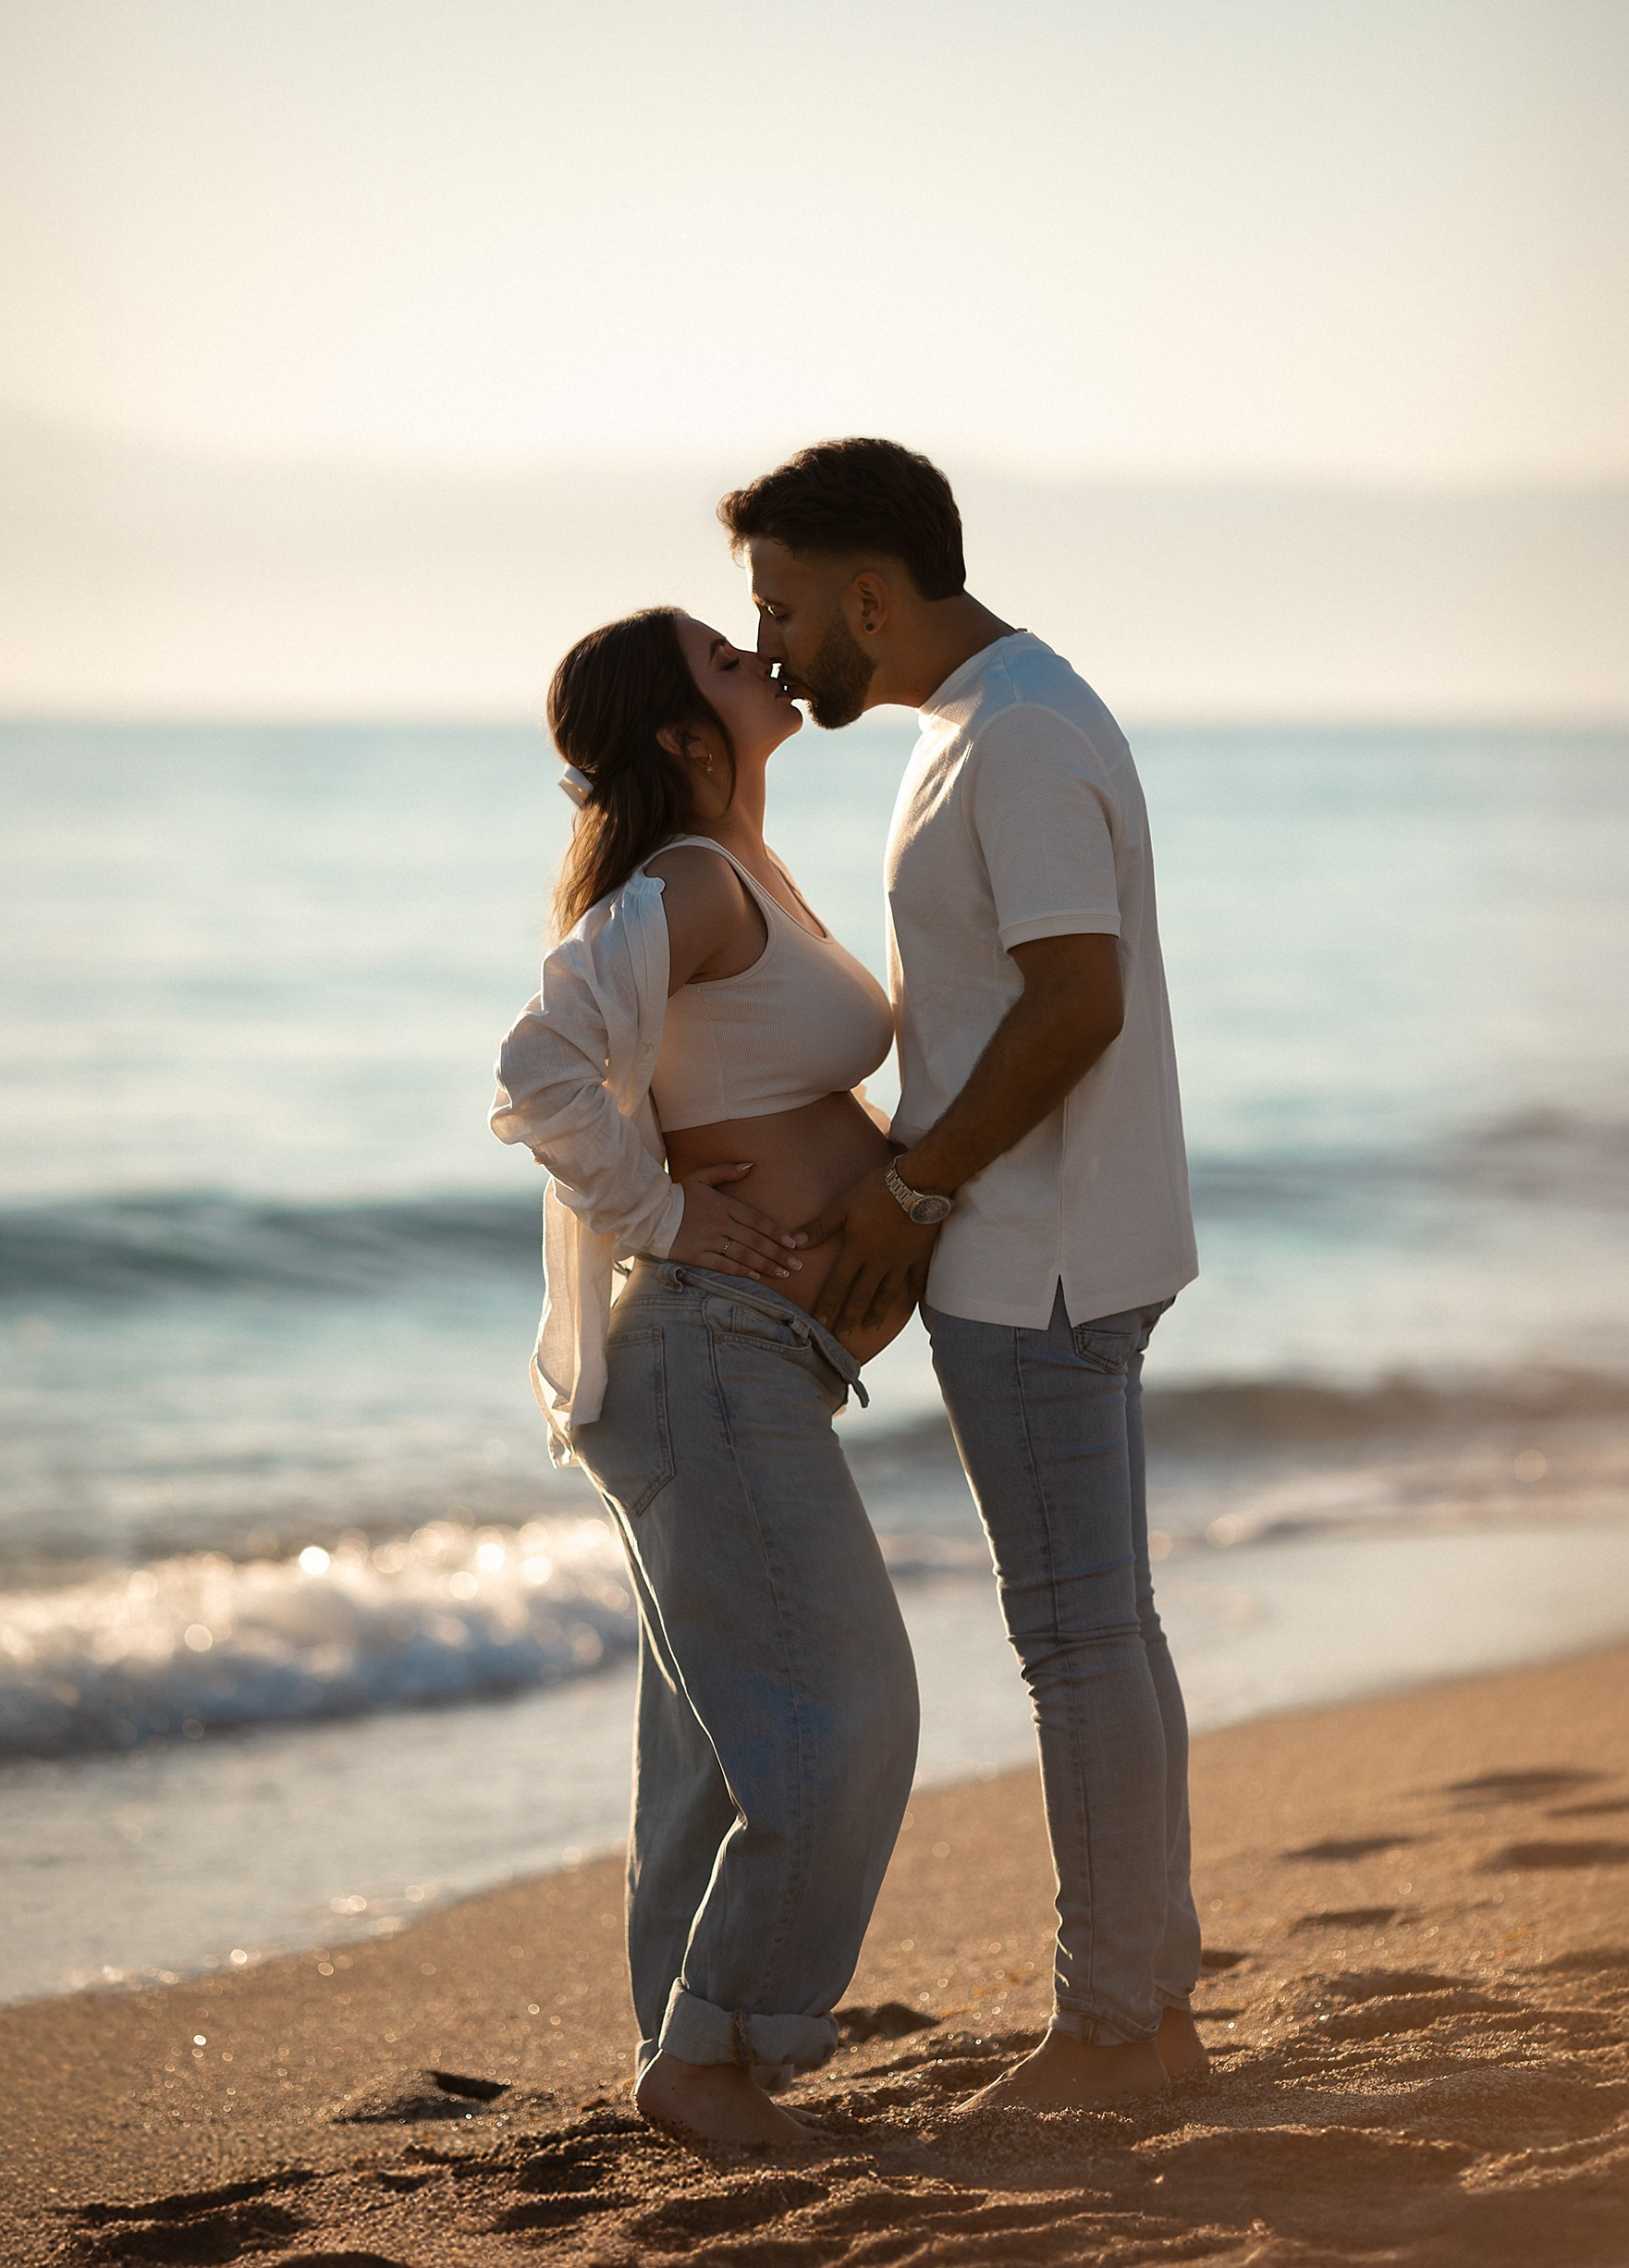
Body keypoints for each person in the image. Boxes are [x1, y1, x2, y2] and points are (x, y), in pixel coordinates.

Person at [717, 438, 1206, 2108]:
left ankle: (1107, 2033)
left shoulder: (1022, 736)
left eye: (783, 608)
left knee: (1077, 1642)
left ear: (873, 593)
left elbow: (1081, 1004)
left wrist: (916, 1192)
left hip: (1039, 1262)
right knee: (1108, 1633)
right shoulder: (988, 724)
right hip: (1046, 1246)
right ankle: (1152, 2005)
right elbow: (1017, 1010)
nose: (772, 647)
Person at [491, 605, 919, 2146]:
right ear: (685, 735)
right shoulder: (685, 879)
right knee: (847, 1713)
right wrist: (667, 1209)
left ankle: (682, 2051)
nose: (764, 659)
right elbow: (539, 1064)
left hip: (740, 1371)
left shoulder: (745, 872)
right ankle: (712, 2052)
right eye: (728, 663)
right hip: (706, 1357)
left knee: (708, 1754)